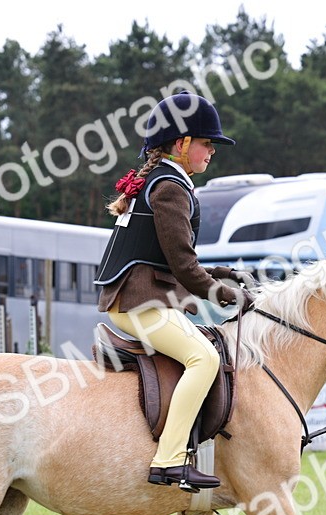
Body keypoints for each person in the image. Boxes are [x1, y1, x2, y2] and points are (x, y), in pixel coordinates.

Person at [94, 91, 253, 492]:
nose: (211, 152)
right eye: (206, 143)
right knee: (204, 358)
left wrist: (222, 273)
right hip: (138, 302)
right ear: (181, 144)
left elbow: (171, 255)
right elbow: (182, 264)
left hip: (138, 296)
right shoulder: (170, 187)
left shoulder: (161, 179)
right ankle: (169, 459)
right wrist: (227, 295)